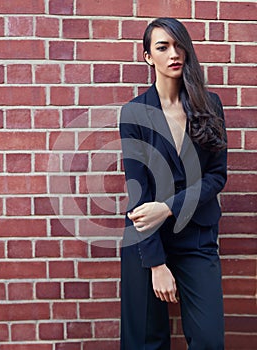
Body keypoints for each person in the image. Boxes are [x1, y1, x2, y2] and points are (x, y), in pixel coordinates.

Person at [119, 18, 227, 350]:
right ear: (148, 57)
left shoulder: (209, 106)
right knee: (146, 343)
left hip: (197, 237)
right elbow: (139, 192)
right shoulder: (134, 113)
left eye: (179, 45)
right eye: (163, 47)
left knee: (209, 340)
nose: (173, 53)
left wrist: (168, 208)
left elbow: (216, 177)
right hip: (146, 241)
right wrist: (156, 264)